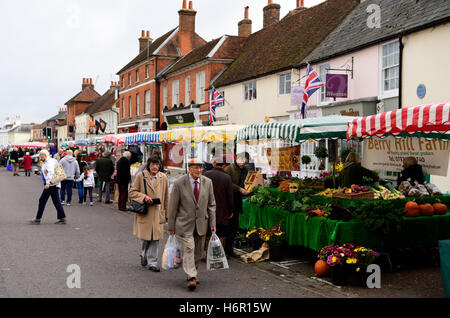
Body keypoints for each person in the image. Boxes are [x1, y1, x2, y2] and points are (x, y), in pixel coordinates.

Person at [168, 159, 216, 291]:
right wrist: (171, 226)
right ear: (189, 169)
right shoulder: (179, 183)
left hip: (201, 223)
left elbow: (211, 204)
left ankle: (192, 272)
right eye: (196, 168)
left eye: (201, 168)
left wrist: (212, 223)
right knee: (189, 248)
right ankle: (191, 276)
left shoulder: (208, 182)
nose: (199, 170)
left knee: (198, 252)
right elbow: (173, 206)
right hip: (184, 224)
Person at [129, 156, 170, 272]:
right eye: (153, 164)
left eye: (157, 165)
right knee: (146, 238)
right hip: (145, 212)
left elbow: (167, 197)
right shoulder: (141, 176)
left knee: (155, 239)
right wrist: (144, 197)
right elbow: (132, 192)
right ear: (149, 165)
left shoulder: (163, 178)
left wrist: (167, 213)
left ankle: (153, 262)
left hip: (158, 212)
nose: (155, 167)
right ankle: (143, 254)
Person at [204, 155, 234, 256]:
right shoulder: (227, 177)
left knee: (209, 232)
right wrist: (231, 211)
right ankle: (217, 253)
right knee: (221, 232)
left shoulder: (206, 174)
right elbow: (230, 196)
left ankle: (208, 253)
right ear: (224, 165)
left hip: (207, 209)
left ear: (215, 163)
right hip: (222, 210)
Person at [30, 150, 67, 225]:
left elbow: (50, 172)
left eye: (42, 155)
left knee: (42, 200)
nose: (41, 156)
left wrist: (47, 183)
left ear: (46, 155)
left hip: (51, 184)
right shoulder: (51, 160)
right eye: (40, 155)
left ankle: (38, 218)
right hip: (55, 184)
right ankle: (62, 217)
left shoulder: (48, 162)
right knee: (56, 201)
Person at [225, 152, 251, 253]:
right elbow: (227, 183)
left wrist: (248, 189)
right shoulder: (229, 169)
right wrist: (239, 189)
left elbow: (246, 182)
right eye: (244, 162)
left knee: (235, 227)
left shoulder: (245, 170)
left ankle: (230, 249)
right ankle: (226, 249)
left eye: (246, 163)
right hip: (230, 201)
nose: (244, 165)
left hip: (238, 200)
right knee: (228, 226)